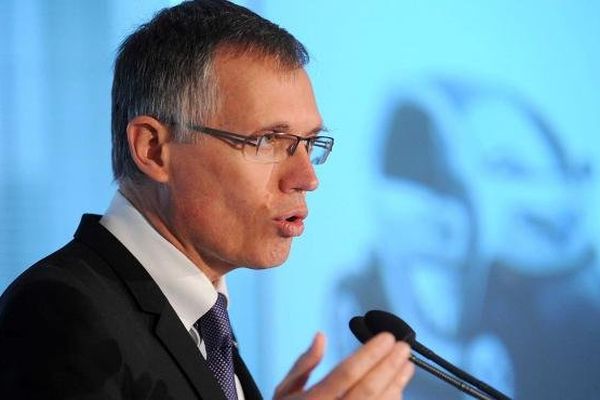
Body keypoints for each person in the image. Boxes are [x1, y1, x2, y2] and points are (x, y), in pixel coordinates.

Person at [0, 1, 414, 399]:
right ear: (153, 149)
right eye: (269, 140)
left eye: (309, 144)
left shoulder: (202, 316)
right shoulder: (58, 313)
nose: (306, 178)